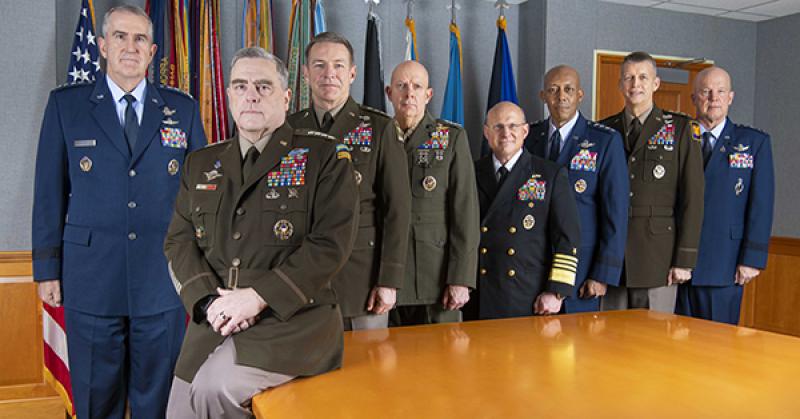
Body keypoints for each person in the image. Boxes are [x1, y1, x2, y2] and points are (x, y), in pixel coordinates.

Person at [31, 5, 206, 418]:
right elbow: (48, 193)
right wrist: (46, 269)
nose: (131, 46)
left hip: (161, 277)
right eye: (121, 37)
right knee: (96, 396)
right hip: (91, 275)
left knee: (158, 397)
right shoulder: (66, 107)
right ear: (103, 46)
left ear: (153, 50)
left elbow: (201, 195)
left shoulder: (180, 109)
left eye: (140, 39)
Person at [164, 47, 358, 418]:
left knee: (213, 391)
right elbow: (179, 240)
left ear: (286, 98)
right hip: (218, 315)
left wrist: (256, 297)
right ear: (229, 96)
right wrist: (208, 303)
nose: (250, 94)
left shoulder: (324, 157)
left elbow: (330, 245)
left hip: (294, 320)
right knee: (178, 410)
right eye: (240, 85)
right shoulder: (202, 163)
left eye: (263, 86)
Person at [288, 32, 410, 330]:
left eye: (338, 66)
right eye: (319, 65)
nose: (329, 74)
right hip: (300, 275)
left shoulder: (380, 128)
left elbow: (397, 210)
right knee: (308, 372)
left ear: (353, 73)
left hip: (362, 279)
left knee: (368, 371)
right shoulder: (289, 129)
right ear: (305, 74)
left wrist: (389, 280)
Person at [599, 51, 704, 313]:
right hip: (613, 255)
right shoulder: (603, 130)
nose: (636, 84)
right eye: (629, 78)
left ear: (656, 84)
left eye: (643, 77)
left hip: (658, 256)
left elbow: (693, 198)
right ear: (620, 85)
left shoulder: (681, 130)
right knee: (607, 342)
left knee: (654, 342)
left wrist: (684, 260)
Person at [526, 65, 629, 313]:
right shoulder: (528, 137)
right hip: (532, 265)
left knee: (576, 347)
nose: (561, 96)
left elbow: (615, 212)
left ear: (580, 95)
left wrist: (602, 273)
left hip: (582, 270)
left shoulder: (605, 140)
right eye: (553, 90)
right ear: (543, 96)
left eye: (568, 89)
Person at [676, 66, 774, 325]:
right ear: (694, 98)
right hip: (683, 262)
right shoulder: (677, 140)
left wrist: (752, 259)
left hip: (726, 262)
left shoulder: (753, 143)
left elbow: (761, 206)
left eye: (720, 91)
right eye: (706, 91)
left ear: (730, 97)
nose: (713, 98)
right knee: (679, 347)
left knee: (718, 349)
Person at [385, 60, 479, 325]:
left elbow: (465, 214)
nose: (409, 93)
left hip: (435, 280)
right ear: (389, 93)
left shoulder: (451, 138)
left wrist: (460, 279)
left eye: (417, 86)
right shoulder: (376, 137)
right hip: (383, 280)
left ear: (429, 94)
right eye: (401, 86)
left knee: (442, 362)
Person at [472, 101, 580, 319]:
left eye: (513, 126)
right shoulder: (471, 171)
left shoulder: (549, 174)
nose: (506, 133)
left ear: (525, 131)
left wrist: (556, 291)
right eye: (498, 127)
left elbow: (567, 238)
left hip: (526, 293)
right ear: (486, 132)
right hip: (478, 292)